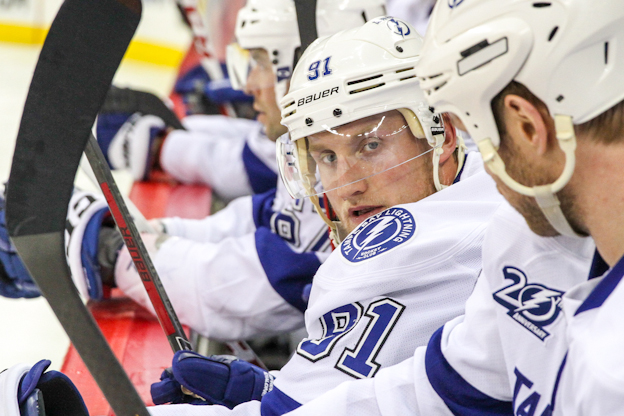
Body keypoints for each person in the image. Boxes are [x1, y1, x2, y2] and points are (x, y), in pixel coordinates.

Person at [1, 16, 505, 416]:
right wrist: (270, 386)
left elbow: (240, 293)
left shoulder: (419, 239)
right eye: (326, 157)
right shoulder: (468, 192)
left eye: (371, 145)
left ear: (444, 136)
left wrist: (112, 250)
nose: (348, 183)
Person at [0, 0, 385, 342]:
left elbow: (242, 290)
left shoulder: (360, 181)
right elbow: (261, 220)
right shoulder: (313, 157)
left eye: (263, 62)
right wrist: (146, 235)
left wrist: (110, 251)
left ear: (307, 62)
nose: (248, 84)